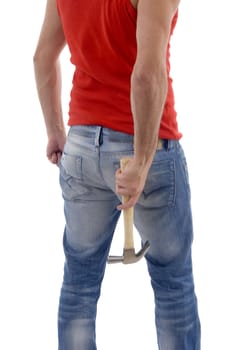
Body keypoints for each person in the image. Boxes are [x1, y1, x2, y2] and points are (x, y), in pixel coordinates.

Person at [33, 0, 201, 349]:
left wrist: (55, 131)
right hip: (144, 146)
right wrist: (141, 160)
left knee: (79, 281)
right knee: (173, 282)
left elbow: (43, 57)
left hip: (80, 147)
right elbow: (146, 74)